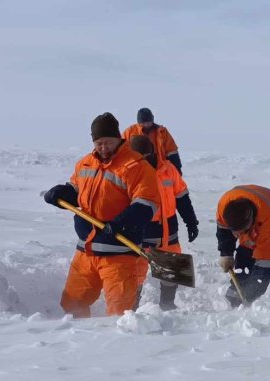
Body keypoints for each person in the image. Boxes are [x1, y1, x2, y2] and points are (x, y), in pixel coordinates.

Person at [43, 112, 160, 318]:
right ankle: (76, 345)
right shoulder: (85, 164)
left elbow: (146, 204)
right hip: (86, 251)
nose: (103, 148)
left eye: (108, 142)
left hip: (120, 254)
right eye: (99, 143)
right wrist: (61, 193)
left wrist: (121, 223)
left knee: (119, 314)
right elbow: (76, 189)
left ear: (118, 139)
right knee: (72, 305)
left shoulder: (135, 166)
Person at [128, 135, 199, 311]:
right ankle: (131, 310)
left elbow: (182, 198)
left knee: (173, 271)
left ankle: (167, 305)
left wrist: (191, 222)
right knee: (134, 275)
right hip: (139, 231)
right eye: (138, 158)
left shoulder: (168, 169)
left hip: (168, 230)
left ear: (152, 153)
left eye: (145, 157)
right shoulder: (127, 171)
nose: (142, 161)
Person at [216, 185, 270, 307]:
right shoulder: (224, 204)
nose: (237, 235)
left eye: (242, 231)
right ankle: (233, 299)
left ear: (251, 221)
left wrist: (250, 296)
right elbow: (223, 229)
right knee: (245, 258)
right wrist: (226, 253)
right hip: (262, 217)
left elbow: (264, 268)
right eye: (235, 232)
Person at [122, 107, 184, 175]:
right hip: (137, 170)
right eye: (144, 123)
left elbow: (171, 151)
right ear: (139, 122)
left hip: (160, 169)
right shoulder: (129, 132)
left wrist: (177, 168)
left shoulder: (162, 132)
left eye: (149, 122)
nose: (147, 125)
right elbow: (122, 152)